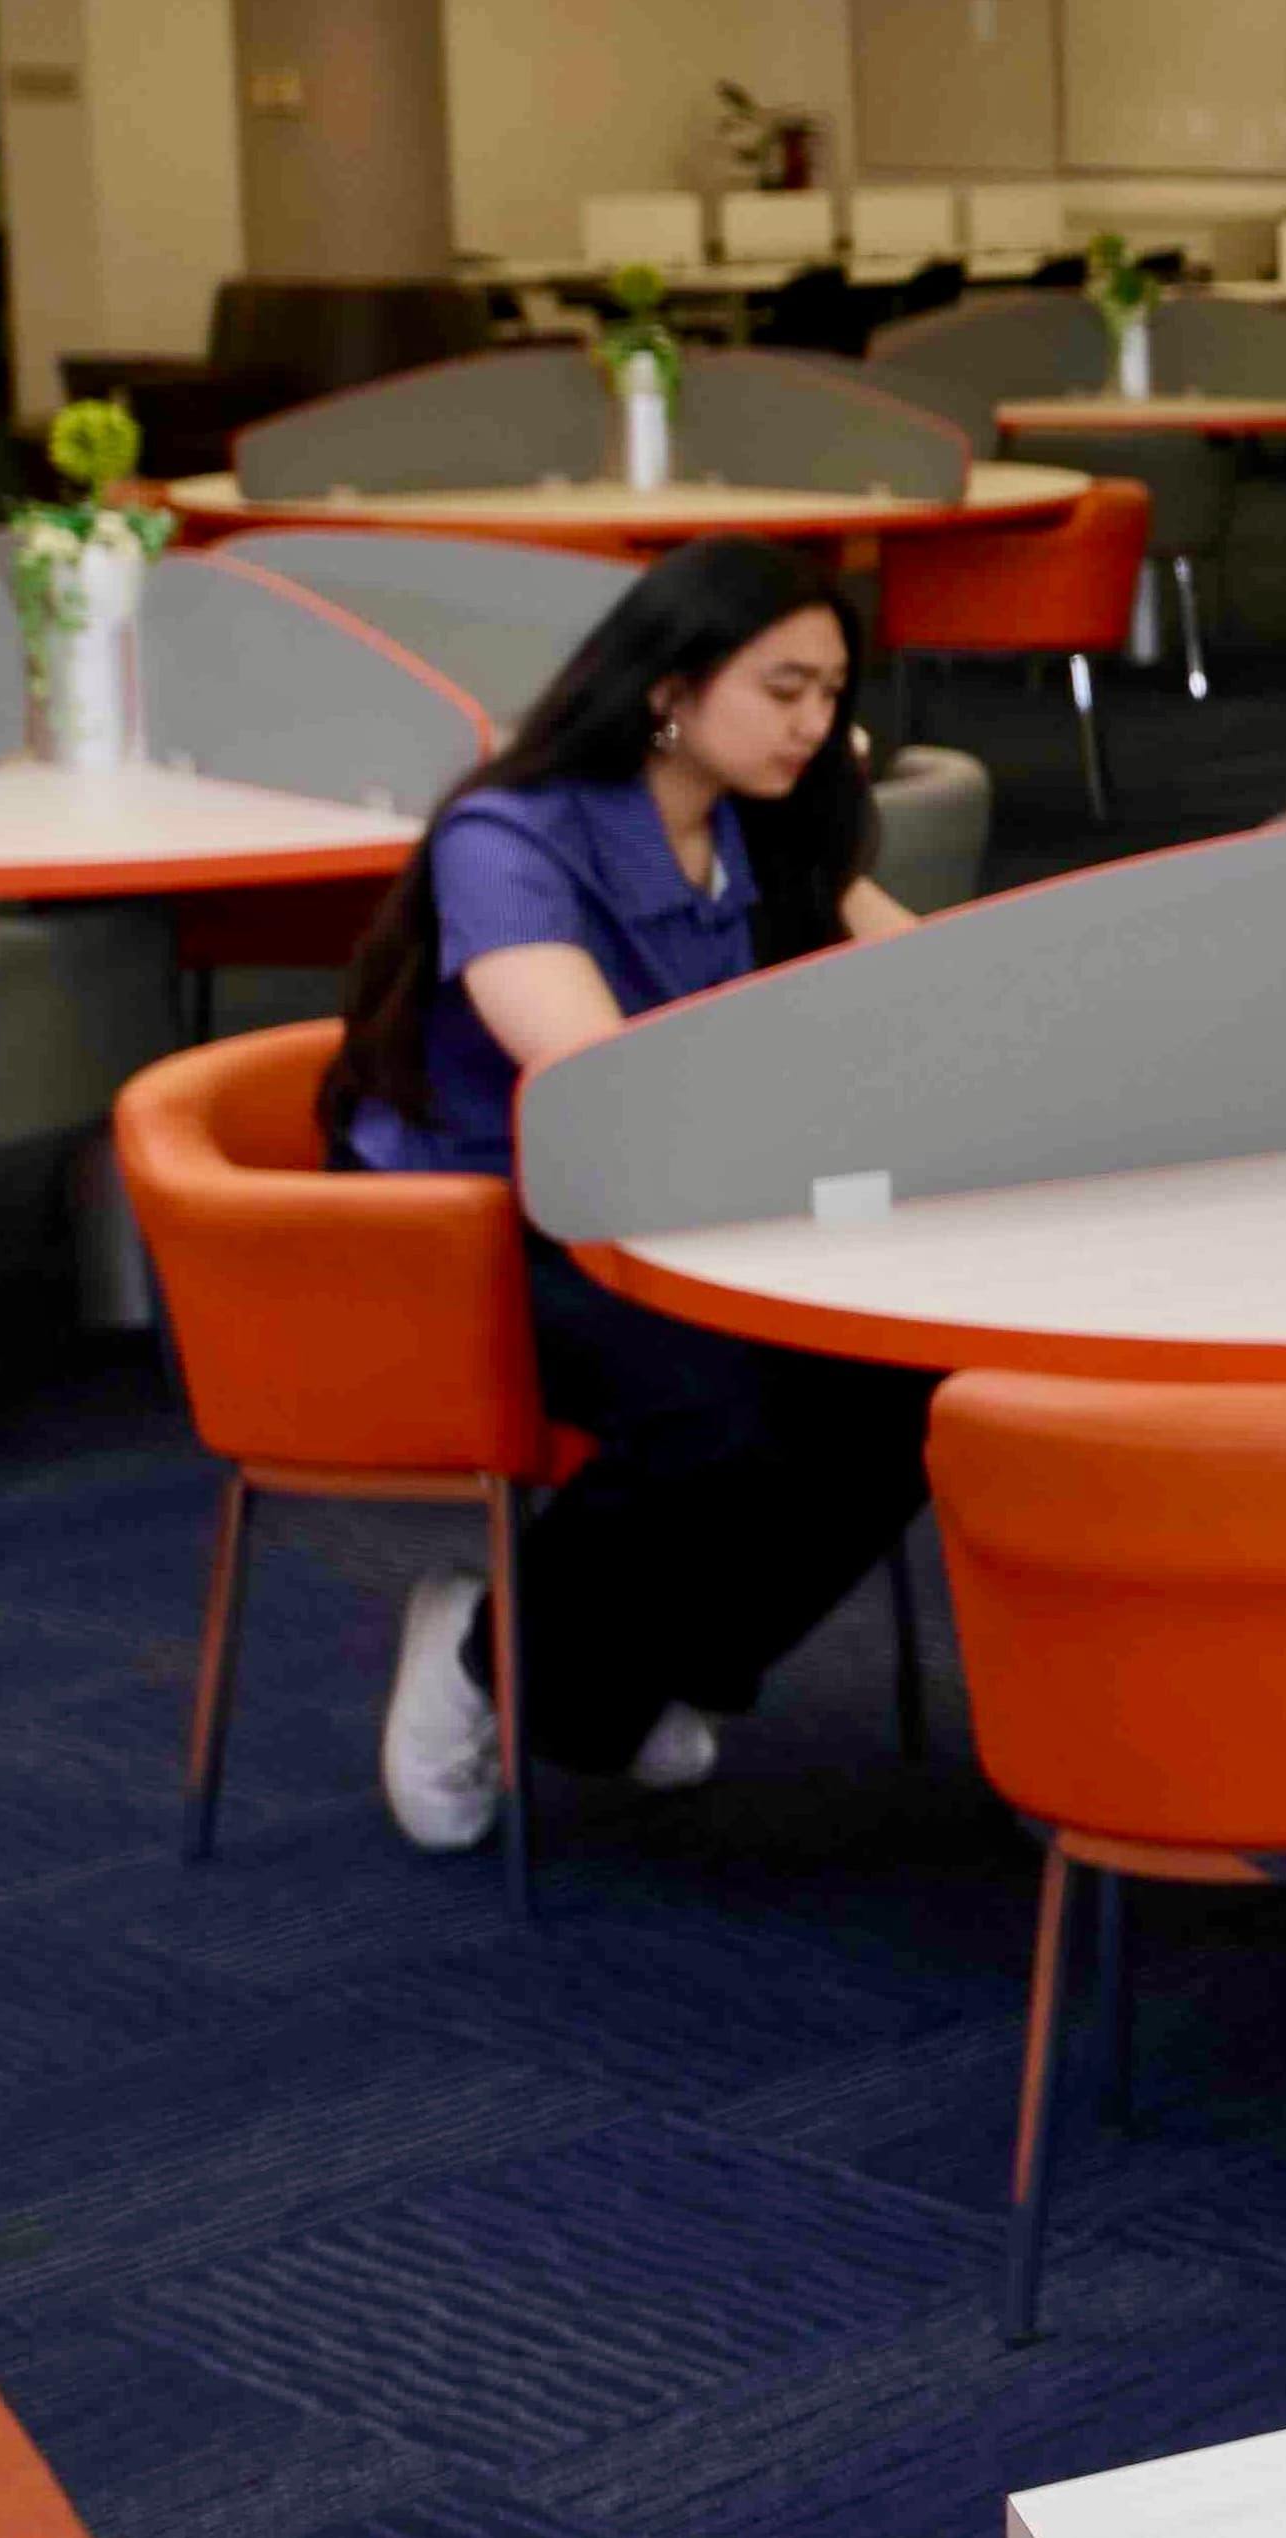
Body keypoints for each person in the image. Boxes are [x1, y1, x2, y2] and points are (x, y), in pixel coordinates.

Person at [314, 535, 933, 1853]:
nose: (816, 724)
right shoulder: (514, 832)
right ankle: (489, 1653)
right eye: (784, 690)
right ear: (672, 682)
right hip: (484, 1220)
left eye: (833, 695)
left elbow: (937, 988)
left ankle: (593, 1679)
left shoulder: (768, 821)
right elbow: (598, 1087)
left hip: (684, 1201)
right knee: (725, 1415)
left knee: (910, 1384)